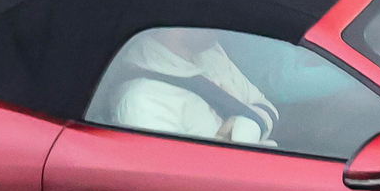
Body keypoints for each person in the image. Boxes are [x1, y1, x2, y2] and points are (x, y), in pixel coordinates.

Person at [105, 28, 279, 145]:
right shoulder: (142, 100)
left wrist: (243, 127)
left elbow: (266, 106)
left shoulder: (212, 55)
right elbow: (172, 185)